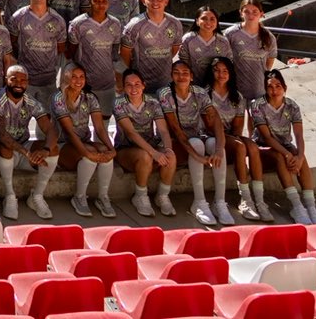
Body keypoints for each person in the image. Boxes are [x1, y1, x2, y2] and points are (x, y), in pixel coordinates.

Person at [0, 63, 56, 220]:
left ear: (27, 83)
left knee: (53, 149)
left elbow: (50, 130)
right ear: (6, 80)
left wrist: (46, 150)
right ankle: (10, 196)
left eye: (23, 80)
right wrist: (27, 153)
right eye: (14, 79)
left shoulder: (30, 102)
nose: (19, 84)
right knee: (5, 148)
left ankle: (37, 196)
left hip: (22, 149)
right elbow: (1, 135)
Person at [251, 69, 316, 224]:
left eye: (278, 86)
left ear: (285, 88)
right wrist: (287, 155)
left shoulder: (292, 106)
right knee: (280, 156)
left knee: (299, 155)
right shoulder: (257, 105)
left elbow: (298, 135)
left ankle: (311, 207)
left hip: (285, 145)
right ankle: (296, 205)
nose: (274, 90)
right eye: (270, 87)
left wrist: (299, 156)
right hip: (263, 147)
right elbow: (267, 137)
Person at [51, 62, 116, 218]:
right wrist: (87, 153)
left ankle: (103, 197)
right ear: (65, 78)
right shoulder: (58, 97)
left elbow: (100, 128)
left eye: (81, 77)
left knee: (105, 153)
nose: (78, 80)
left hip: (83, 142)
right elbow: (69, 132)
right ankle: (79, 197)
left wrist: (111, 148)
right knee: (90, 156)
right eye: (73, 77)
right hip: (63, 144)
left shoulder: (89, 97)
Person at [159, 59, 220, 224]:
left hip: (196, 137)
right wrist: (198, 157)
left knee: (214, 143)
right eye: (176, 73)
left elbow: (216, 120)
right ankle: (199, 202)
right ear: (171, 76)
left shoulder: (199, 92)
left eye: (185, 73)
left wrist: (220, 149)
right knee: (197, 144)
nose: (181, 77)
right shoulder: (166, 94)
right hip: (174, 142)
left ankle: (220, 202)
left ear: (192, 76)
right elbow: (176, 130)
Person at [112, 68, 176, 217]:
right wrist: (153, 152)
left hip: (149, 146)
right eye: (128, 85)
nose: (133, 88)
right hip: (126, 149)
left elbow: (163, 130)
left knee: (170, 155)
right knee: (145, 156)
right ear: (123, 87)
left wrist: (168, 149)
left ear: (143, 85)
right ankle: (140, 195)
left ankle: (163, 196)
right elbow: (131, 133)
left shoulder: (152, 102)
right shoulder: (119, 103)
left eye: (137, 84)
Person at [206, 55, 260, 222]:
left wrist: (233, 138)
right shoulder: (204, 93)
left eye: (225, 71)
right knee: (239, 146)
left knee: (252, 146)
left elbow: (237, 127)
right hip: (210, 136)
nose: (221, 74)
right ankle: (245, 198)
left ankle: (259, 198)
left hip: (230, 136)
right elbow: (208, 124)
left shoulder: (237, 96)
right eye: (217, 71)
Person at [68, 0, 125, 114]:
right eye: (96, 1)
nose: (100, 4)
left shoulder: (115, 24)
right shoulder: (78, 24)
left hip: (107, 83)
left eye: (104, 1)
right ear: (90, 1)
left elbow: (115, 55)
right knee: (80, 119)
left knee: (105, 118)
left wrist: (118, 79)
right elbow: (71, 52)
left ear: (108, 2)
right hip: (83, 83)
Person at [7, 0, 67, 96]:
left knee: (48, 113)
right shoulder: (18, 17)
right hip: (26, 79)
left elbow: (60, 48)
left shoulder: (57, 20)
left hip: (49, 79)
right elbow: (12, 44)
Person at [122, 0, 185, 95]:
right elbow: (124, 52)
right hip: (142, 83)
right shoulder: (134, 25)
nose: (155, 2)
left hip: (165, 81)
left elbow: (174, 48)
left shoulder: (175, 24)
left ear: (166, 1)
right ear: (143, 1)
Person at [226, 0, 280, 104]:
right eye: (246, 11)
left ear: (261, 14)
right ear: (241, 13)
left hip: (259, 88)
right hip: (236, 87)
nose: (251, 15)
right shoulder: (231, 34)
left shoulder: (269, 37)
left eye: (255, 12)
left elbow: (270, 60)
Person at [182, 6, 231, 76]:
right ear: (197, 21)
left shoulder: (223, 41)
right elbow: (183, 65)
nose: (208, 22)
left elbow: (228, 65)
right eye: (204, 19)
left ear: (217, 22)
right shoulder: (188, 39)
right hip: (194, 84)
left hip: (216, 84)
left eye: (212, 19)